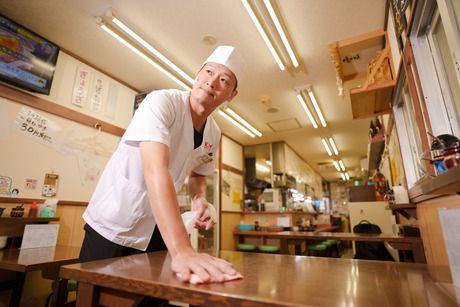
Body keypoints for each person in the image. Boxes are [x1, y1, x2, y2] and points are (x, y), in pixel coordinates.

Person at [80, 46, 244, 285]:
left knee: (153, 297)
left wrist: (199, 198)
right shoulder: (162, 102)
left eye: (223, 80)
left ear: (231, 95)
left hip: (157, 228)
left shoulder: (213, 132)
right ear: (197, 75)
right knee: (95, 294)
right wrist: (182, 250)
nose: (212, 82)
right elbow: (155, 168)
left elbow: (199, 172)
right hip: (115, 221)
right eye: (208, 72)